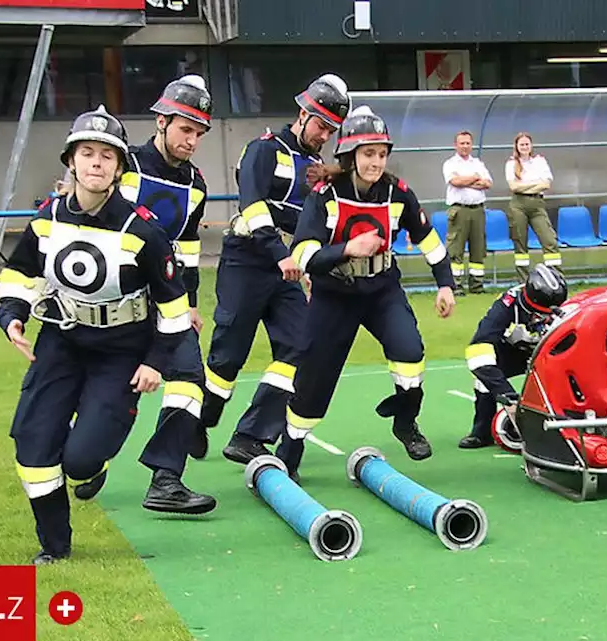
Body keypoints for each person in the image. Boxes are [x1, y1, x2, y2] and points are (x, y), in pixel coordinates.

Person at [0, 106, 201, 564]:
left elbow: (173, 309)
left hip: (121, 354)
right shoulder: (47, 218)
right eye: (87, 153)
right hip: (61, 342)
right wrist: (13, 313)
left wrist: (156, 361)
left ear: (118, 166)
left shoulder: (143, 231)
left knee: (80, 461)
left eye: (106, 156)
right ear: (71, 160)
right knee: (33, 447)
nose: (95, 163)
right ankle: (55, 547)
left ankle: (97, 460)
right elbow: (19, 271)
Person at [279, 108, 457, 476]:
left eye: (381, 153)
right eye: (368, 153)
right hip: (334, 294)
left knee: (410, 352)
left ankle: (405, 422)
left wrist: (445, 285)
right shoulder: (324, 194)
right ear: (350, 156)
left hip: (381, 290)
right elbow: (303, 254)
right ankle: (290, 447)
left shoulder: (398, 193)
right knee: (314, 375)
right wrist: (348, 249)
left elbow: (429, 240)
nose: (376, 162)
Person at [204, 74, 350, 466]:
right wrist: (278, 253)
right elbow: (252, 206)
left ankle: (250, 434)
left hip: (285, 271)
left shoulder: (318, 167)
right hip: (247, 259)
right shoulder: (263, 150)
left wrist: (306, 265)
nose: (325, 136)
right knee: (228, 356)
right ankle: (200, 419)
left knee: (303, 345)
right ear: (302, 115)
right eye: (322, 126)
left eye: (332, 130)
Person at [107, 74, 219, 514]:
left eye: (198, 133)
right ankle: (89, 460)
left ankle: (166, 479)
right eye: (185, 129)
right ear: (161, 121)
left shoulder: (196, 184)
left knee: (190, 379)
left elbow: (188, 249)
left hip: (168, 298)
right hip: (116, 298)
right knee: (113, 391)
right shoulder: (125, 165)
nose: (192, 140)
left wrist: (190, 303)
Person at [458, 263, 568, 449]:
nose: (542, 319)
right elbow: (478, 350)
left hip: (550, 353)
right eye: (538, 315)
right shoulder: (504, 308)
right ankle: (481, 432)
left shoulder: (565, 306)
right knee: (484, 379)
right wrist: (508, 397)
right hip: (513, 351)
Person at [442, 130, 493, 295]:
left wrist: (467, 180)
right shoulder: (450, 163)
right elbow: (455, 182)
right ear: (455, 145)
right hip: (459, 210)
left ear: (472, 145)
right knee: (455, 249)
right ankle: (455, 285)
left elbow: (487, 183)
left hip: (478, 210)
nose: (465, 146)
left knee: (478, 249)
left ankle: (477, 285)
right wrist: (475, 178)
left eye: (467, 143)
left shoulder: (478, 163)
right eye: (462, 143)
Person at [505, 132, 561, 278]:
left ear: (531, 145)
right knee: (520, 242)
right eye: (521, 144)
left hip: (537, 204)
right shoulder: (511, 163)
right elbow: (514, 187)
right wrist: (536, 184)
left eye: (527, 144)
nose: (524, 147)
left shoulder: (540, 161)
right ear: (516, 146)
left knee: (549, 240)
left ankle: (556, 276)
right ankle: (524, 280)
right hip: (518, 204)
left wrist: (525, 186)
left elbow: (546, 184)